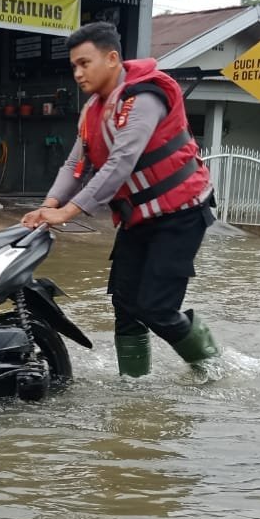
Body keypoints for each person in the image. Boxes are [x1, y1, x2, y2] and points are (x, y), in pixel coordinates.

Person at [21, 21, 219, 377]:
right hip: (137, 219)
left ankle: (212, 367)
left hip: (181, 214)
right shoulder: (93, 111)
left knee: (156, 308)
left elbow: (120, 163)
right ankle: (134, 386)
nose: (78, 74)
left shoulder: (144, 98)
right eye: (74, 66)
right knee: (126, 306)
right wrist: (50, 204)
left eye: (85, 63)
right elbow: (74, 164)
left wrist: (68, 212)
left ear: (112, 59)